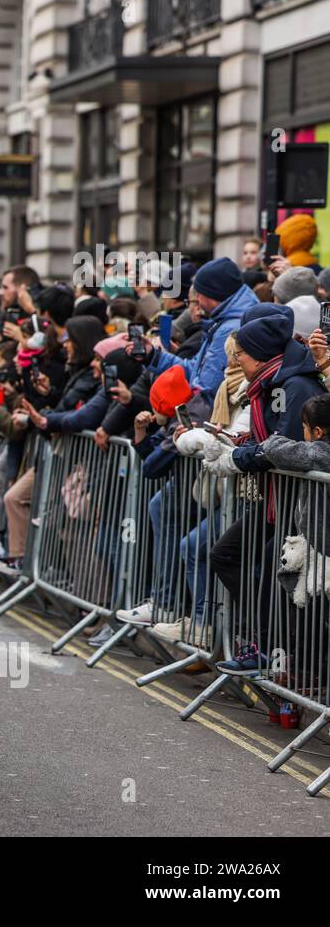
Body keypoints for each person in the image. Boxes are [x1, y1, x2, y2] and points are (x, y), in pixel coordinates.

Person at [202, 307, 325, 672]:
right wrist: (236, 443)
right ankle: (259, 640)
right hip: (273, 499)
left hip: (294, 502)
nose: (237, 359)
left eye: (240, 353)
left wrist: (240, 457)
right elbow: (267, 438)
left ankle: (276, 652)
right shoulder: (270, 383)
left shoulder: (294, 384)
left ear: (258, 353)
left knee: (276, 568)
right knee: (224, 555)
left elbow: (285, 446)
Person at [144, 258, 257, 399]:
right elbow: (195, 369)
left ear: (211, 295)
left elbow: (205, 389)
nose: (196, 300)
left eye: (198, 294)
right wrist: (153, 356)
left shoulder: (227, 330)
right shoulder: (223, 323)